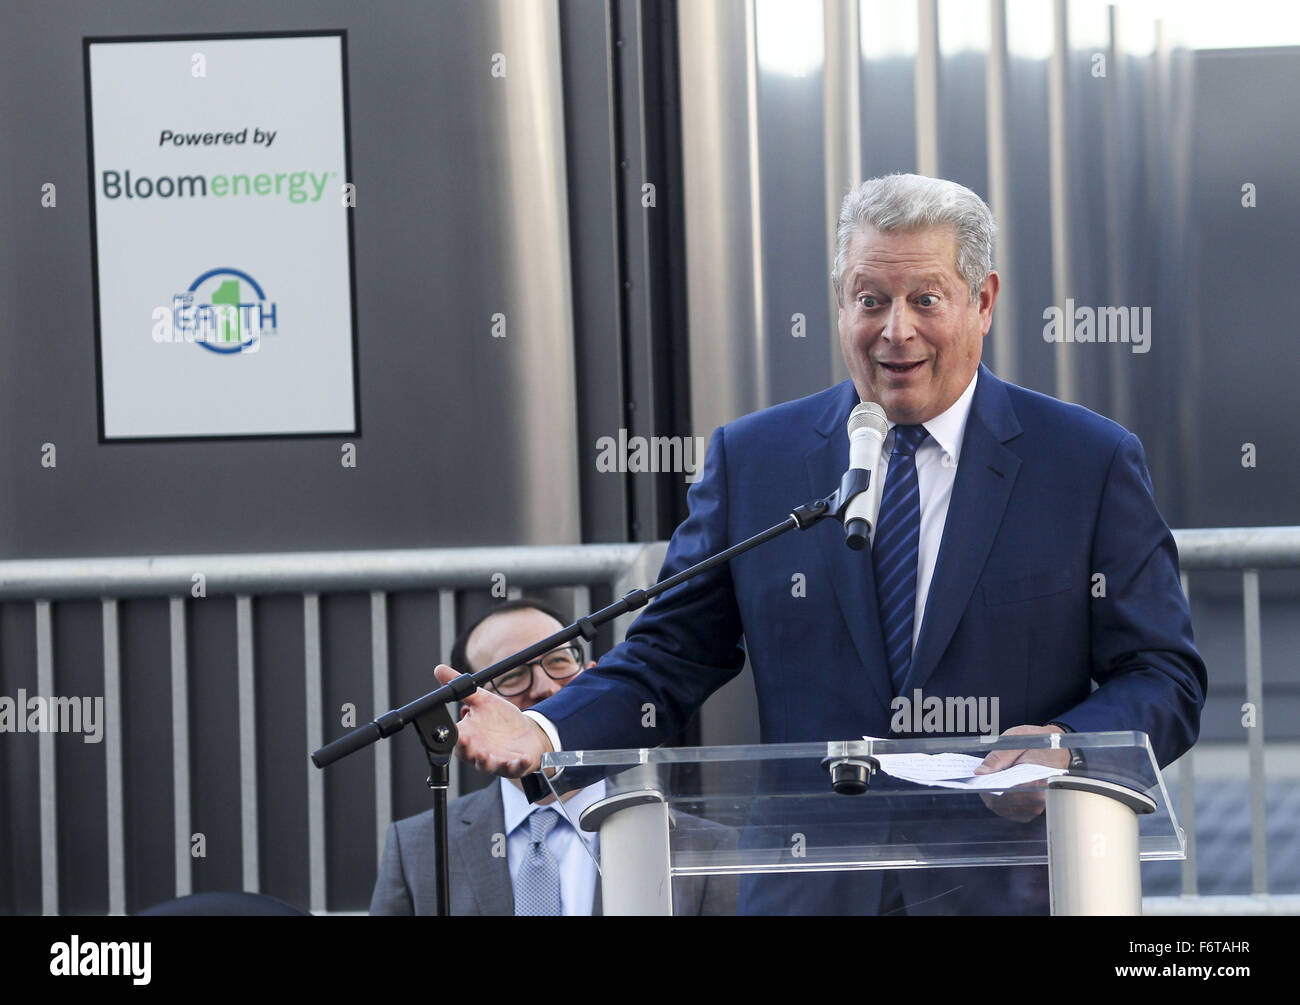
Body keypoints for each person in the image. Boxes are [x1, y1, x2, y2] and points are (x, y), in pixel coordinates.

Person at [432, 174, 1207, 914]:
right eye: (871, 299)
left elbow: (1164, 674)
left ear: (984, 301)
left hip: (1011, 887)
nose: (895, 329)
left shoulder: (1085, 462)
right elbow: (667, 657)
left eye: (924, 299)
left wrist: (1066, 749)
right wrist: (545, 726)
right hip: (810, 888)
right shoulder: (756, 460)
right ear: (840, 304)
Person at [370, 599, 735, 916]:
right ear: (471, 710)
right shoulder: (418, 848)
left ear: (593, 676)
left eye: (559, 661)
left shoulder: (700, 845)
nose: (545, 687)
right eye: (512, 674)